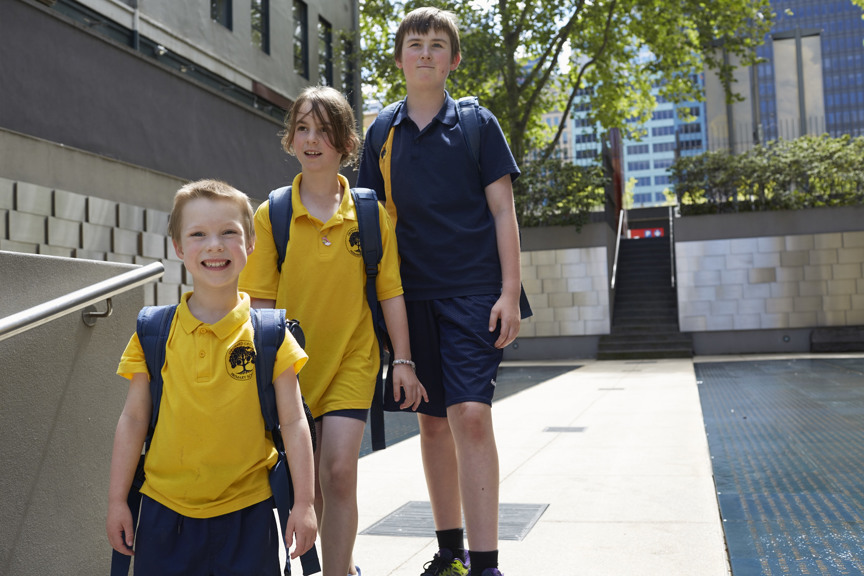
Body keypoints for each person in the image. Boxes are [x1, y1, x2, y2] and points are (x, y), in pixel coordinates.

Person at [356, 7, 525, 576]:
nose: (424, 52)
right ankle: (450, 552)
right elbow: (369, 223)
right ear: (400, 57)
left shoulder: (477, 124)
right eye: (414, 43)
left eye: (435, 45)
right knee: (430, 422)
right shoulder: (381, 132)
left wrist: (509, 291)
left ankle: (486, 564)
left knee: (470, 415)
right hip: (409, 297)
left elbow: (503, 211)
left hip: (475, 292)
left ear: (452, 60)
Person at [239, 85, 427, 576]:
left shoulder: (369, 214)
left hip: (352, 358)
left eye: (323, 130)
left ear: (345, 142)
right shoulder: (272, 214)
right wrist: (266, 373)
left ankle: (339, 572)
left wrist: (402, 362)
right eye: (302, 127)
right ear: (290, 139)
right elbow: (258, 304)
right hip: (291, 368)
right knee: (310, 484)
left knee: (339, 472)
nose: (311, 139)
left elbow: (391, 294)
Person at [106, 179, 317, 575]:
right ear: (179, 247)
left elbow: (293, 420)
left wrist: (304, 503)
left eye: (228, 233)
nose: (214, 245)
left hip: (248, 516)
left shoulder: (270, 335)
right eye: (198, 234)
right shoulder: (154, 331)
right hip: (163, 515)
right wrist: (118, 500)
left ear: (250, 242)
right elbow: (133, 420)